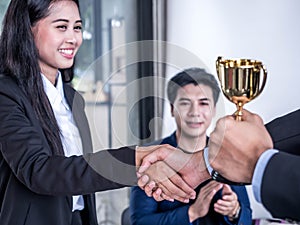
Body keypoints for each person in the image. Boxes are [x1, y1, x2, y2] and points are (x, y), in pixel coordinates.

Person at [0, 0, 195, 224]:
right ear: (27, 29)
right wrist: (134, 159)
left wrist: (143, 170)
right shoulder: (6, 94)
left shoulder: (73, 98)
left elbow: (79, 172)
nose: (73, 38)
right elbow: (40, 170)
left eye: (78, 27)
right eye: (61, 27)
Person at [130, 68, 252, 225]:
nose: (195, 112)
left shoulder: (227, 154)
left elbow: (247, 218)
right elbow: (139, 222)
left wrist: (234, 210)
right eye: (185, 103)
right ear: (172, 109)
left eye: (203, 103)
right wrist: (192, 212)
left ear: (213, 109)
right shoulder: (151, 156)